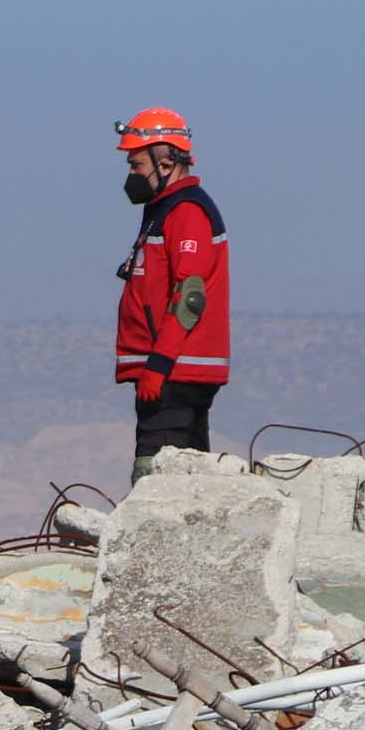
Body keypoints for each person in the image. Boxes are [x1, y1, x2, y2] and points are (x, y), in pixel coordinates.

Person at [110, 108, 231, 482]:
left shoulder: (187, 212)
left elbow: (190, 296)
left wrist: (158, 366)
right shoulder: (162, 211)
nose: (132, 175)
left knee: (155, 479)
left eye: (136, 165)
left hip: (173, 374)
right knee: (191, 480)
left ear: (165, 163)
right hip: (171, 371)